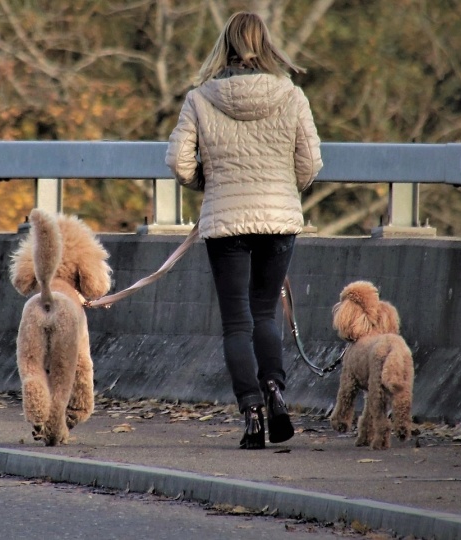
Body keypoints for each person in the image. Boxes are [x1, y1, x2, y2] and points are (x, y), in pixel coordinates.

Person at [165, 11, 323, 449]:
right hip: (277, 220)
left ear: (225, 46)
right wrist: (282, 185)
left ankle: (251, 411)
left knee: (237, 322)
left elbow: (178, 164)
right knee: (264, 312)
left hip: (226, 221)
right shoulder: (291, 95)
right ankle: (275, 389)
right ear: (266, 44)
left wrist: (208, 181)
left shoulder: (200, 98)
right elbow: (310, 165)